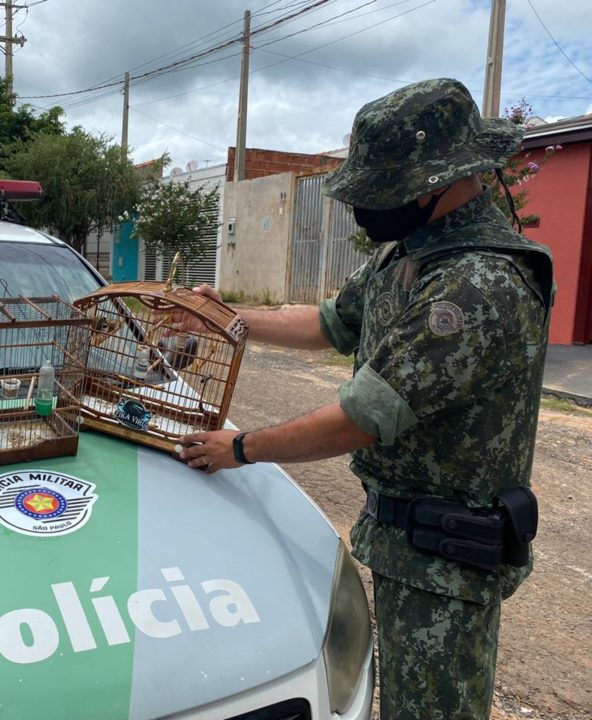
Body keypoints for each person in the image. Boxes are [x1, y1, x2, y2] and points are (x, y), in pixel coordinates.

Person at [176, 78, 553, 720]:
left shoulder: (476, 285)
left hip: (448, 559)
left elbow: (361, 419)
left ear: (437, 183)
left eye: (382, 190)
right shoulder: (411, 252)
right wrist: (229, 316)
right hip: (408, 542)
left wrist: (239, 448)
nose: (368, 208)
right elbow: (331, 322)